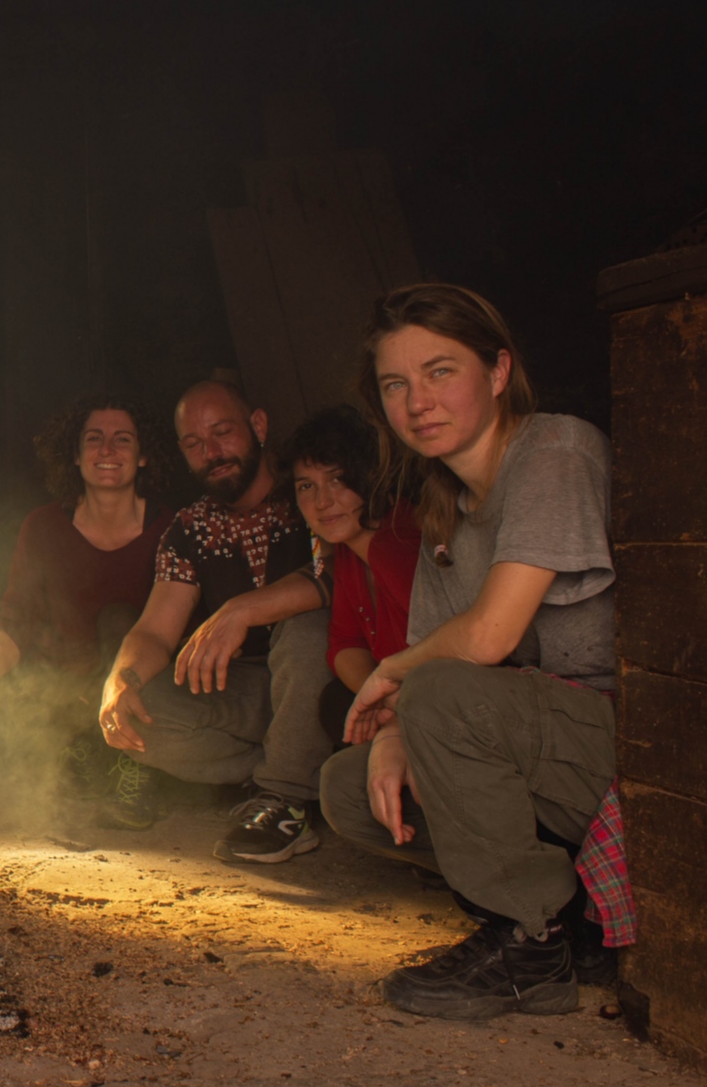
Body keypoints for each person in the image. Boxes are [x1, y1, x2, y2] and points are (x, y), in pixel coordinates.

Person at [318, 284, 628, 1020]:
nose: (417, 399)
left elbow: (483, 638)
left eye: (441, 371)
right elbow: (434, 647)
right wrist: (395, 733)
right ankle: (571, 903)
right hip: (528, 743)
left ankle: (530, 943)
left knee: (439, 696)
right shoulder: (444, 507)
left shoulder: (555, 450)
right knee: (348, 783)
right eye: (396, 384)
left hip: (630, 747)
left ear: (497, 372)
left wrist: (397, 680)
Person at [97, 380, 334, 863]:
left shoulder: (310, 489)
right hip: (250, 696)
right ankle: (288, 773)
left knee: (309, 630)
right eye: (194, 444)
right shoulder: (190, 528)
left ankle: (286, 799)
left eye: (223, 432)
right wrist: (118, 684)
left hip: (328, 683)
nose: (212, 452)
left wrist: (242, 608)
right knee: (144, 713)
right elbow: (154, 630)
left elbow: (335, 576)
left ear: (258, 426)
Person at [0, 396, 174, 828]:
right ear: (74, 455)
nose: (107, 450)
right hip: (61, 696)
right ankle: (85, 750)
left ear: (144, 454)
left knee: (119, 620)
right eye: (94, 439)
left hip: (138, 693)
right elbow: (16, 623)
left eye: (122, 440)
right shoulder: (42, 528)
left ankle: (135, 767)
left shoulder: (172, 528)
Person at [280, 404, 422, 740]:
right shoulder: (348, 550)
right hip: (399, 702)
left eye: (337, 480)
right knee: (336, 704)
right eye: (306, 486)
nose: (322, 502)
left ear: (368, 474)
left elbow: (445, 649)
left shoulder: (402, 536)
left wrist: (389, 703)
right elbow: (344, 643)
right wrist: (378, 696)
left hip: (446, 701)